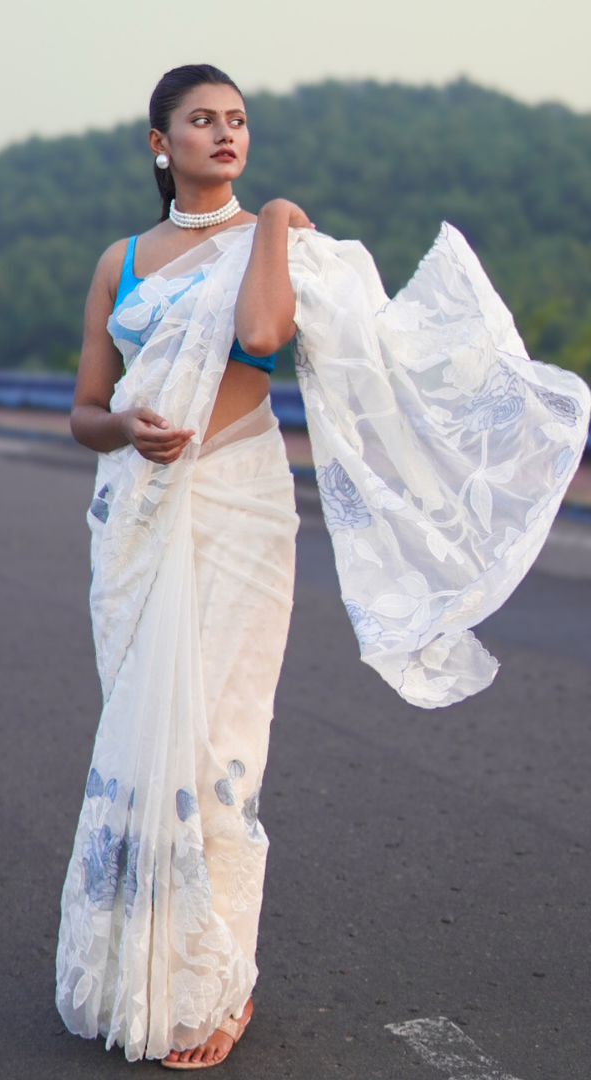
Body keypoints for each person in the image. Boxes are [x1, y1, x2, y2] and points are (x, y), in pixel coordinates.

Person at [56, 63, 590, 1069]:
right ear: (157, 142)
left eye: (238, 122)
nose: (225, 135)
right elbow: (85, 407)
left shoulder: (276, 242)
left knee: (219, 745)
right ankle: (140, 970)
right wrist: (122, 423)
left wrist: (274, 224)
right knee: (144, 738)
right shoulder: (119, 261)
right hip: (140, 515)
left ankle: (221, 985)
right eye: (202, 121)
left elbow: (260, 335)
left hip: (242, 505)